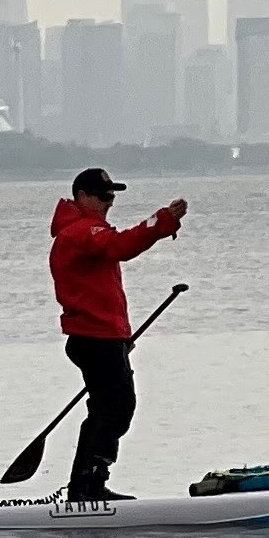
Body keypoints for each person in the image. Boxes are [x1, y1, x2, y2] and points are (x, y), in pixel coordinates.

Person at [48, 168, 186, 502]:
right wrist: (161, 220)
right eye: (103, 195)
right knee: (117, 407)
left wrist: (120, 337)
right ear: (82, 196)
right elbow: (122, 245)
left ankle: (86, 484)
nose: (109, 202)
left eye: (112, 195)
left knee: (108, 409)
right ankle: (88, 486)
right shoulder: (80, 232)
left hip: (102, 338)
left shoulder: (85, 230)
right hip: (93, 339)